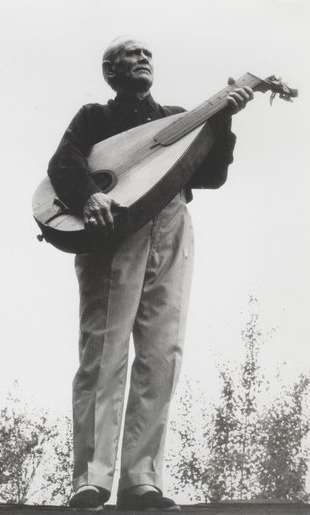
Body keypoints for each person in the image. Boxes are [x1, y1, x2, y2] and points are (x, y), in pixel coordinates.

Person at [47, 35, 253, 511]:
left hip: (173, 224)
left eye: (147, 54)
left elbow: (211, 175)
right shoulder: (95, 118)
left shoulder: (178, 118)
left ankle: (143, 481)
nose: (142, 59)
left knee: (164, 352)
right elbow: (63, 161)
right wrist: (88, 195)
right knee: (105, 348)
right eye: (130, 55)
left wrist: (224, 120)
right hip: (116, 228)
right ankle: (92, 478)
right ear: (110, 72)